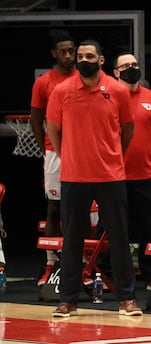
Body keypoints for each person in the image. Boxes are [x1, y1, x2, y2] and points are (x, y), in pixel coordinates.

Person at [46, 39, 142, 317]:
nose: (83, 59)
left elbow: (127, 129)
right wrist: (69, 155)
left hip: (111, 175)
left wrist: (113, 155)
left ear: (101, 60)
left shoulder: (118, 90)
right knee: (73, 239)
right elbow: (53, 129)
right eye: (80, 55)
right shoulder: (61, 91)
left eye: (90, 55)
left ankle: (127, 299)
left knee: (119, 237)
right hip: (74, 175)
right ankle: (68, 300)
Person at [111, 52, 151, 291]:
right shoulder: (109, 97)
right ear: (115, 72)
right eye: (126, 66)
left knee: (149, 228)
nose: (132, 68)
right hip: (114, 176)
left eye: (135, 64)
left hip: (146, 175)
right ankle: (111, 275)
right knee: (113, 227)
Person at [30, 31, 75, 287]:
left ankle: (80, 263)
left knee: (82, 210)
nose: (68, 56)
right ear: (54, 54)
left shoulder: (84, 78)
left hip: (82, 152)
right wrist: (43, 147)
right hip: (54, 152)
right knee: (54, 206)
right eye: (63, 51)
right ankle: (50, 263)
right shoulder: (44, 82)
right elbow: (36, 118)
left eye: (72, 51)